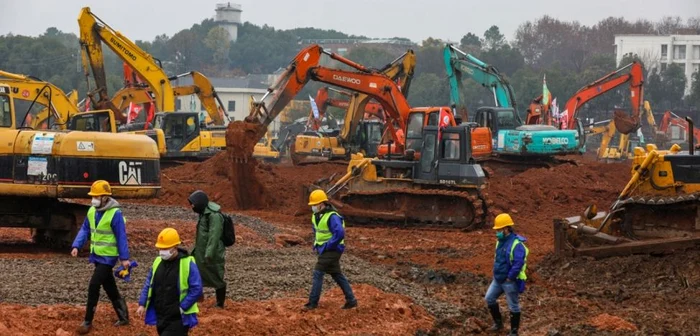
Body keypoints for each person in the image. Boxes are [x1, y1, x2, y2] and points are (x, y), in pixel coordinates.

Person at [71, 180, 131, 335]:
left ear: (105, 197)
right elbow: (85, 229)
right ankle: (123, 315)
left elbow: (121, 237)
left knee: (94, 285)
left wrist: (124, 258)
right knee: (109, 285)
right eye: (93, 196)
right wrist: (76, 245)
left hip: (108, 257)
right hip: (97, 255)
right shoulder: (92, 211)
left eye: (97, 196)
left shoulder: (115, 213)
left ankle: (87, 321)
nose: (94, 199)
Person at [137, 228, 203, 336]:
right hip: (161, 316)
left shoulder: (187, 263)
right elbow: (149, 283)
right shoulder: (157, 262)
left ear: (175, 247)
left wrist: (182, 307)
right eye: (160, 248)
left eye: (166, 248)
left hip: (178, 318)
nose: (162, 251)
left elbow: (197, 288)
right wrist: (142, 303)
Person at [304, 189, 357, 310]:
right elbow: (317, 231)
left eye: (314, 205)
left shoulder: (332, 216)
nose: (312, 207)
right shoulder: (316, 215)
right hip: (324, 249)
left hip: (332, 249)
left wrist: (328, 245)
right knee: (336, 274)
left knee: (318, 273)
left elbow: (339, 233)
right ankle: (351, 300)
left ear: (322, 203)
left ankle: (312, 303)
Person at [485, 213, 529, 336]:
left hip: (509, 281)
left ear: (506, 229)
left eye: (499, 230)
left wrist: (510, 277)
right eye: (497, 230)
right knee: (489, 298)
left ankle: (514, 332)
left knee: (513, 306)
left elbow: (518, 263)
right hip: (498, 279)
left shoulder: (516, 244)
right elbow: (498, 258)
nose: (497, 232)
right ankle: (498, 324)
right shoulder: (499, 241)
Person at [187, 190, 227, 308]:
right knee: (195, 274)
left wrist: (209, 253)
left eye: (193, 204)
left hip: (211, 254)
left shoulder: (214, 215)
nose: (192, 206)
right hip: (201, 252)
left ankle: (220, 304)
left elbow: (214, 236)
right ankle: (198, 297)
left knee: (216, 277)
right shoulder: (204, 213)